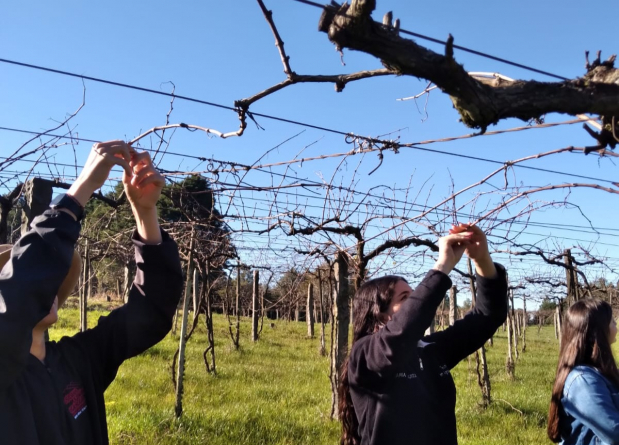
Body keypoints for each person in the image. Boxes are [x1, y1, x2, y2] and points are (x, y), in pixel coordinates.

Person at [0, 140, 184, 445]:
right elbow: (15, 304)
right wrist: (80, 189)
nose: (47, 283)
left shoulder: (79, 360)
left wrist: (145, 213)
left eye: (50, 277)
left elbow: (151, 310)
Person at [339, 224, 508, 445]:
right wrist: (442, 267)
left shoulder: (431, 351)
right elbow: (399, 334)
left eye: (414, 295)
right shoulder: (365, 355)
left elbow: (488, 316)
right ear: (379, 314)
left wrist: (482, 259)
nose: (416, 301)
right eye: (405, 298)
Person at [548, 299, 619, 444]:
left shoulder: (600, 372)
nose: (616, 324)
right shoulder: (583, 381)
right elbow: (614, 432)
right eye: (612, 321)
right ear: (599, 331)